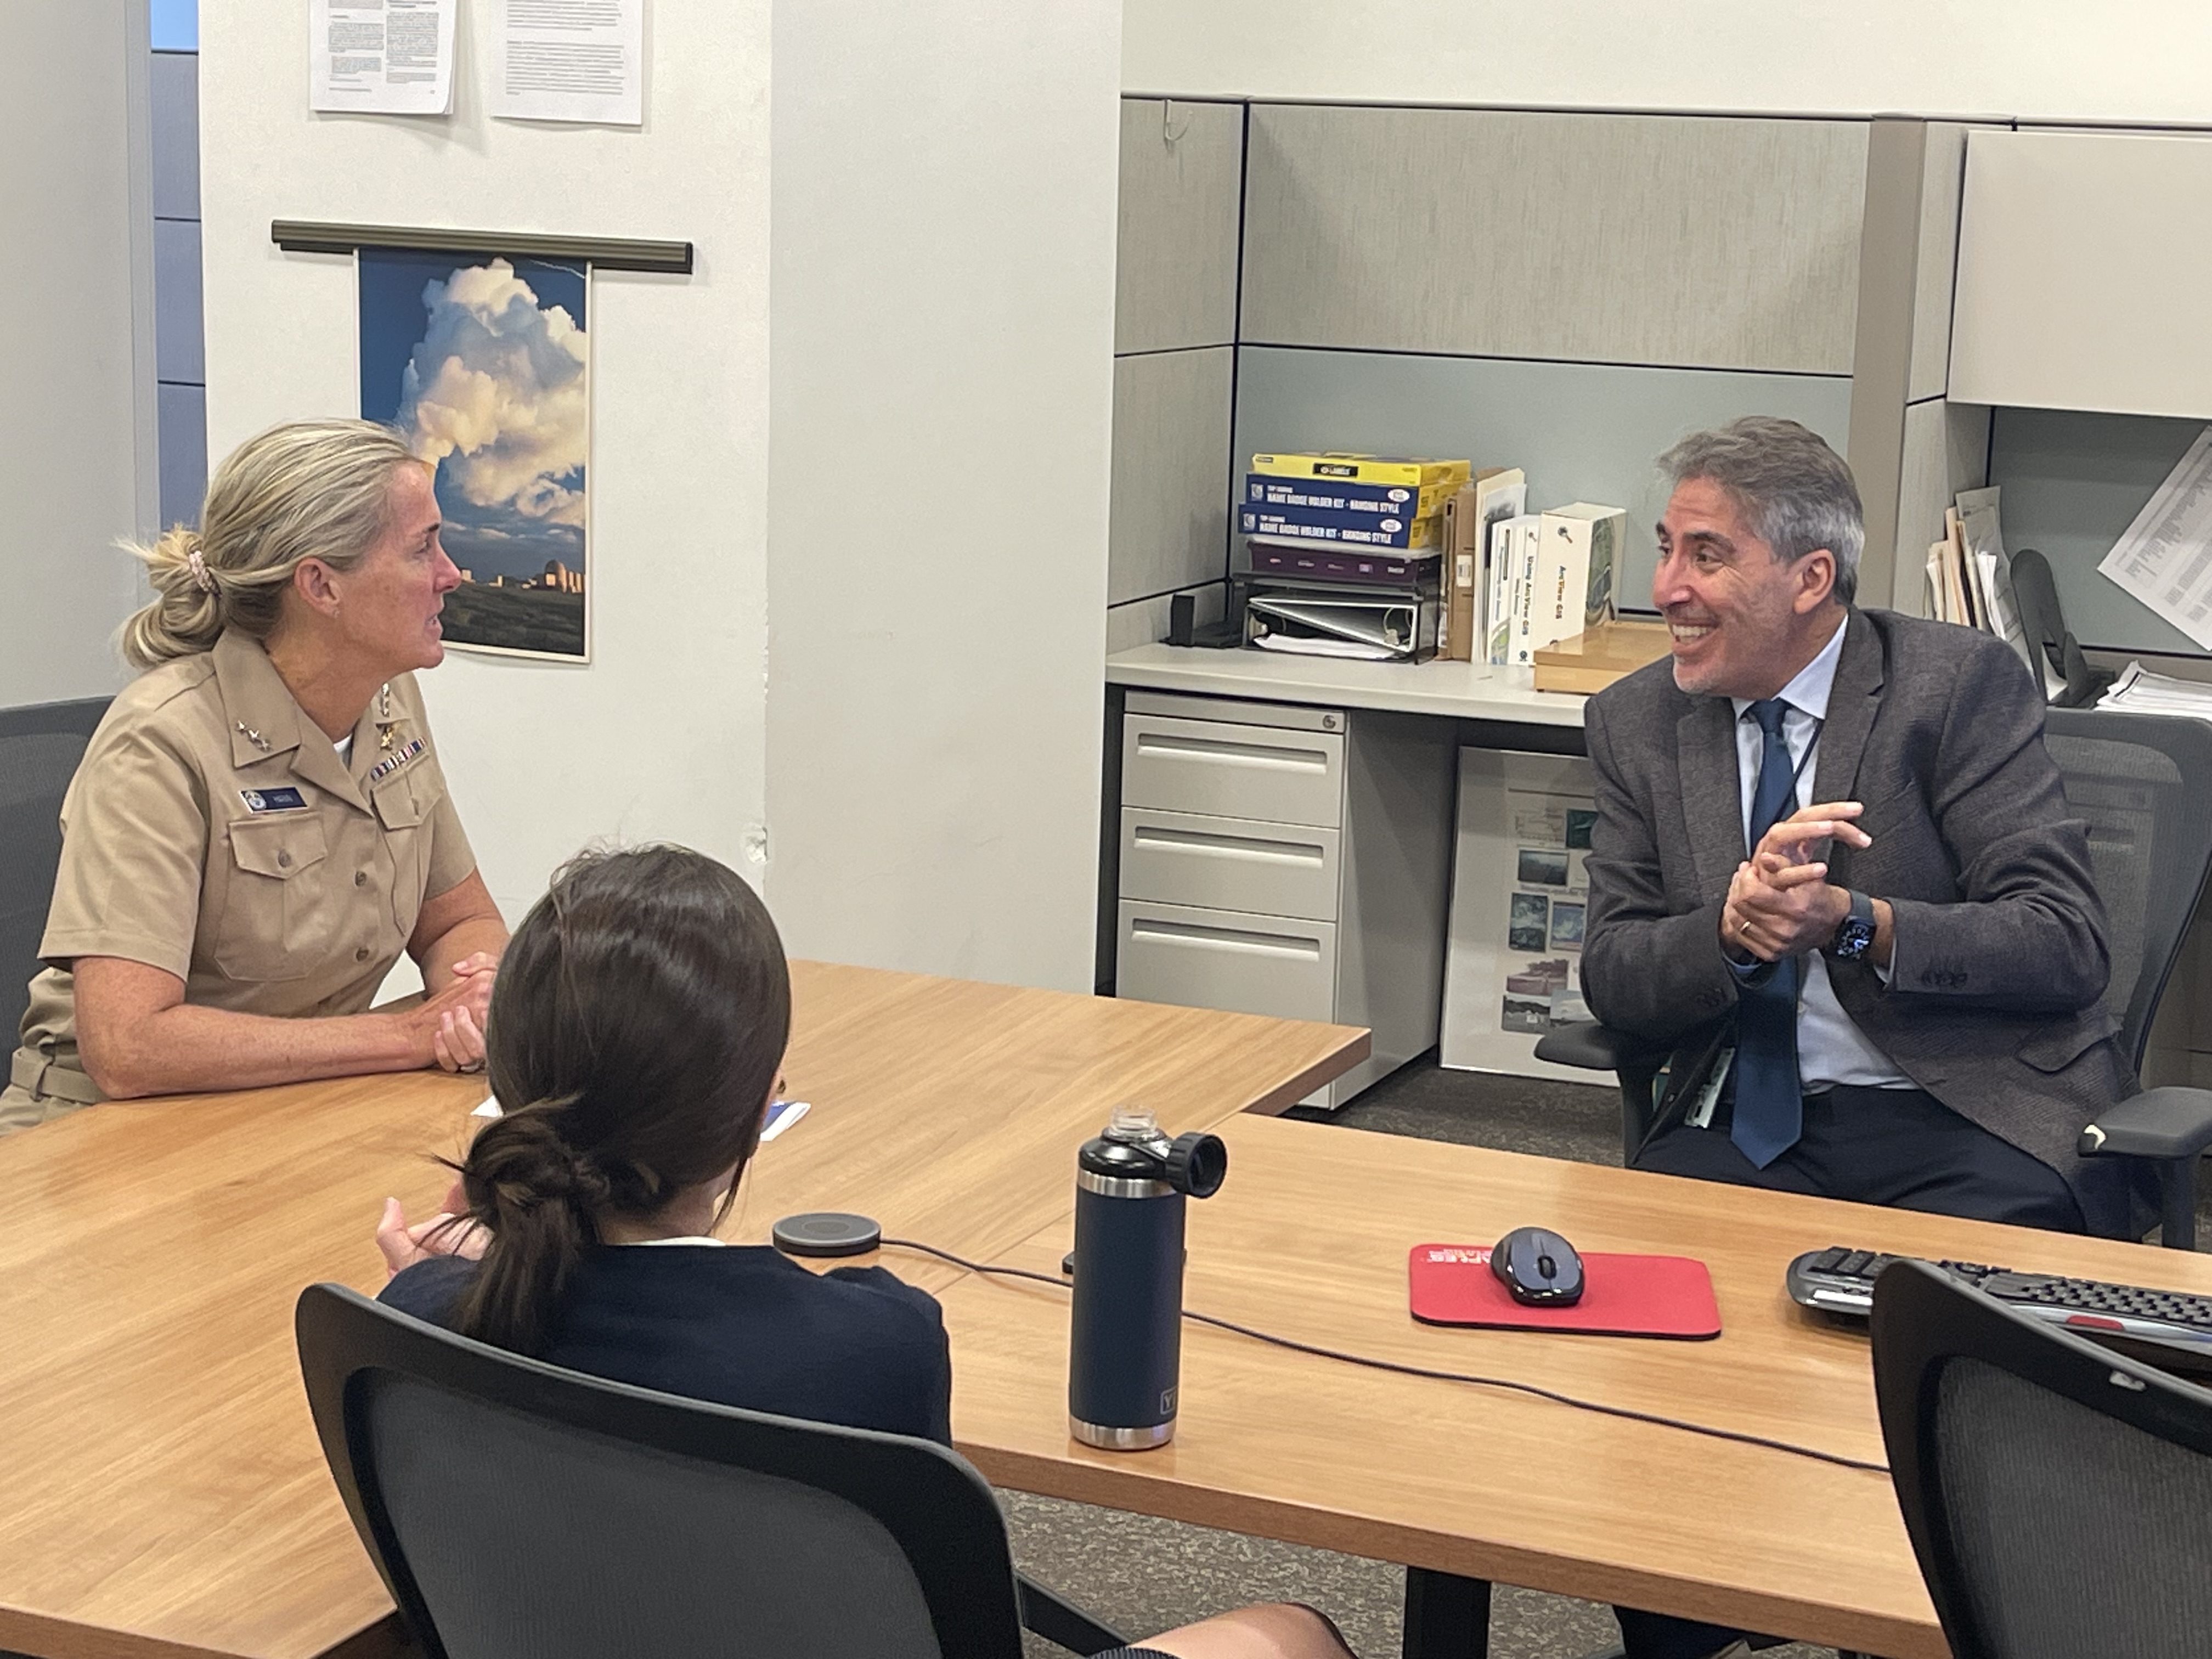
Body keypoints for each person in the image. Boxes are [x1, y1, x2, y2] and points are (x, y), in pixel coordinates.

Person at [375, 844, 1356, 1659]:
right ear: (763, 1107)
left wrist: (432, 1283)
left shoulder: (415, 1324)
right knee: (1291, 1632)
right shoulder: (873, 1341)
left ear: (506, 1084)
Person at [1580, 416, 2145, 1659]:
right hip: (1753, 1120)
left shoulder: (1953, 687)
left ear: (1809, 578)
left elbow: (2063, 942)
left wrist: (1857, 921)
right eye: (1667, 549)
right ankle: (1687, 1621)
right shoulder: (1635, 724)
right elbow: (1617, 978)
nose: (1666, 587)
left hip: (1962, 1111)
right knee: (1637, 1351)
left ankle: (1930, 1614)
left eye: (1705, 555)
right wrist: (1728, 933)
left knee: (1963, 1380)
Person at [5, 420, 506, 1132]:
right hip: (101, 1134)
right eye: (423, 546)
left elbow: (462, 918)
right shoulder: (161, 740)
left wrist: (478, 991)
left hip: (296, 1106)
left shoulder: (389, 700)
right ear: (320, 585)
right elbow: (128, 1047)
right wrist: (404, 1036)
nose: (451, 573)